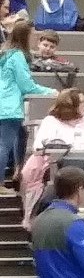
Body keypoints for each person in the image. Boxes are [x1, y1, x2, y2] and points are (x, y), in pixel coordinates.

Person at [0, 22, 56, 184]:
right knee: (3, 146)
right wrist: (50, 92)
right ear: (26, 36)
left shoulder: (4, 54)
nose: (35, 38)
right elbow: (27, 85)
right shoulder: (17, 56)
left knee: (13, 139)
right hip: (9, 107)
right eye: (33, 35)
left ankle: (14, 173)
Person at [33, 88, 84, 152]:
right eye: (82, 102)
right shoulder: (51, 121)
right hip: (59, 166)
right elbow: (38, 147)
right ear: (70, 106)